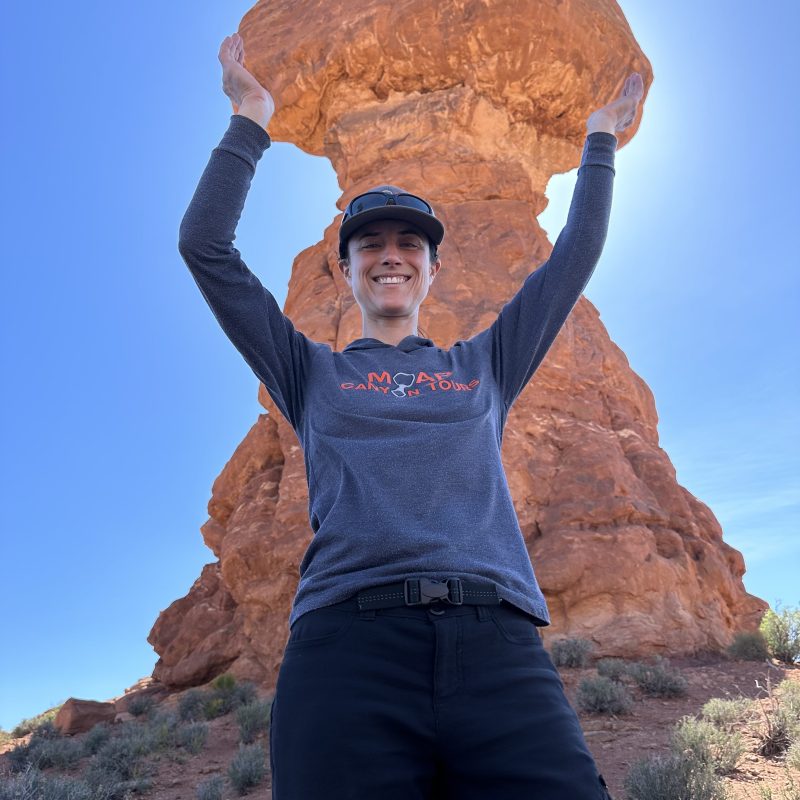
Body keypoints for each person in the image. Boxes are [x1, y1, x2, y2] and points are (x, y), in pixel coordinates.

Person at [178, 31, 643, 800]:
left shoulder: (484, 364)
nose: (390, 254)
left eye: (408, 243)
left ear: (432, 268)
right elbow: (206, 247)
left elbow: (574, 255)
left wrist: (598, 138)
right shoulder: (309, 372)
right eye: (370, 244)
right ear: (346, 268)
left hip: (497, 649)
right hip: (345, 652)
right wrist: (251, 118)